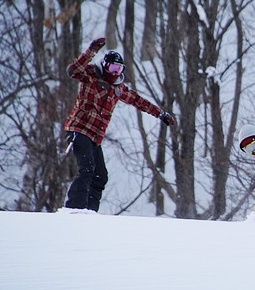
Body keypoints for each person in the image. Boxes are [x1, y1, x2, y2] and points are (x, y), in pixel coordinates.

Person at [63, 38, 176, 211]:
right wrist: (91, 51)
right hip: (79, 129)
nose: (115, 72)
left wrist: (160, 114)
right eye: (113, 68)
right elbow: (73, 70)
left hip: (94, 136)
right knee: (87, 169)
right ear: (104, 66)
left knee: (100, 176)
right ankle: (74, 208)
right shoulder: (90, 75)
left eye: (119, 69)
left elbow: (139, 101)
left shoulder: (118, 88)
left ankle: (90, 212)